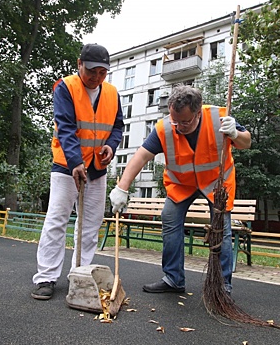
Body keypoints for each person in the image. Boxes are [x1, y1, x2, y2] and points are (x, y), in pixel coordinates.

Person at [109, 85, 251, 294]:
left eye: (185, 122)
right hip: (181, 185)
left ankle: (222, 286)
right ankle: (173, 279)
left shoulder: (218, 118)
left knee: (223, 230)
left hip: (215, 184)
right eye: (175, 120)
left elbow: (246, 142)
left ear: (198, 111)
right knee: (170, 219)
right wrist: (122, 188)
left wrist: (235, 133)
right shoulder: (165, 128)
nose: (178, 127)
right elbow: (141, 156)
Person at [31, 44, 124, 300]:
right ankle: (46, 278)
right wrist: (74, 162)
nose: (97, 78)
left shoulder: (112, 93)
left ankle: (80, 275)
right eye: (92, 71)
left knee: (90, 224)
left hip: (97, 167)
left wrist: (111, 146)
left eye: (103, 73)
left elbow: (118, 127)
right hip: (66, 166)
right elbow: (65, 126)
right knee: (57, 220)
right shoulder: (66, 87)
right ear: (79, 64)